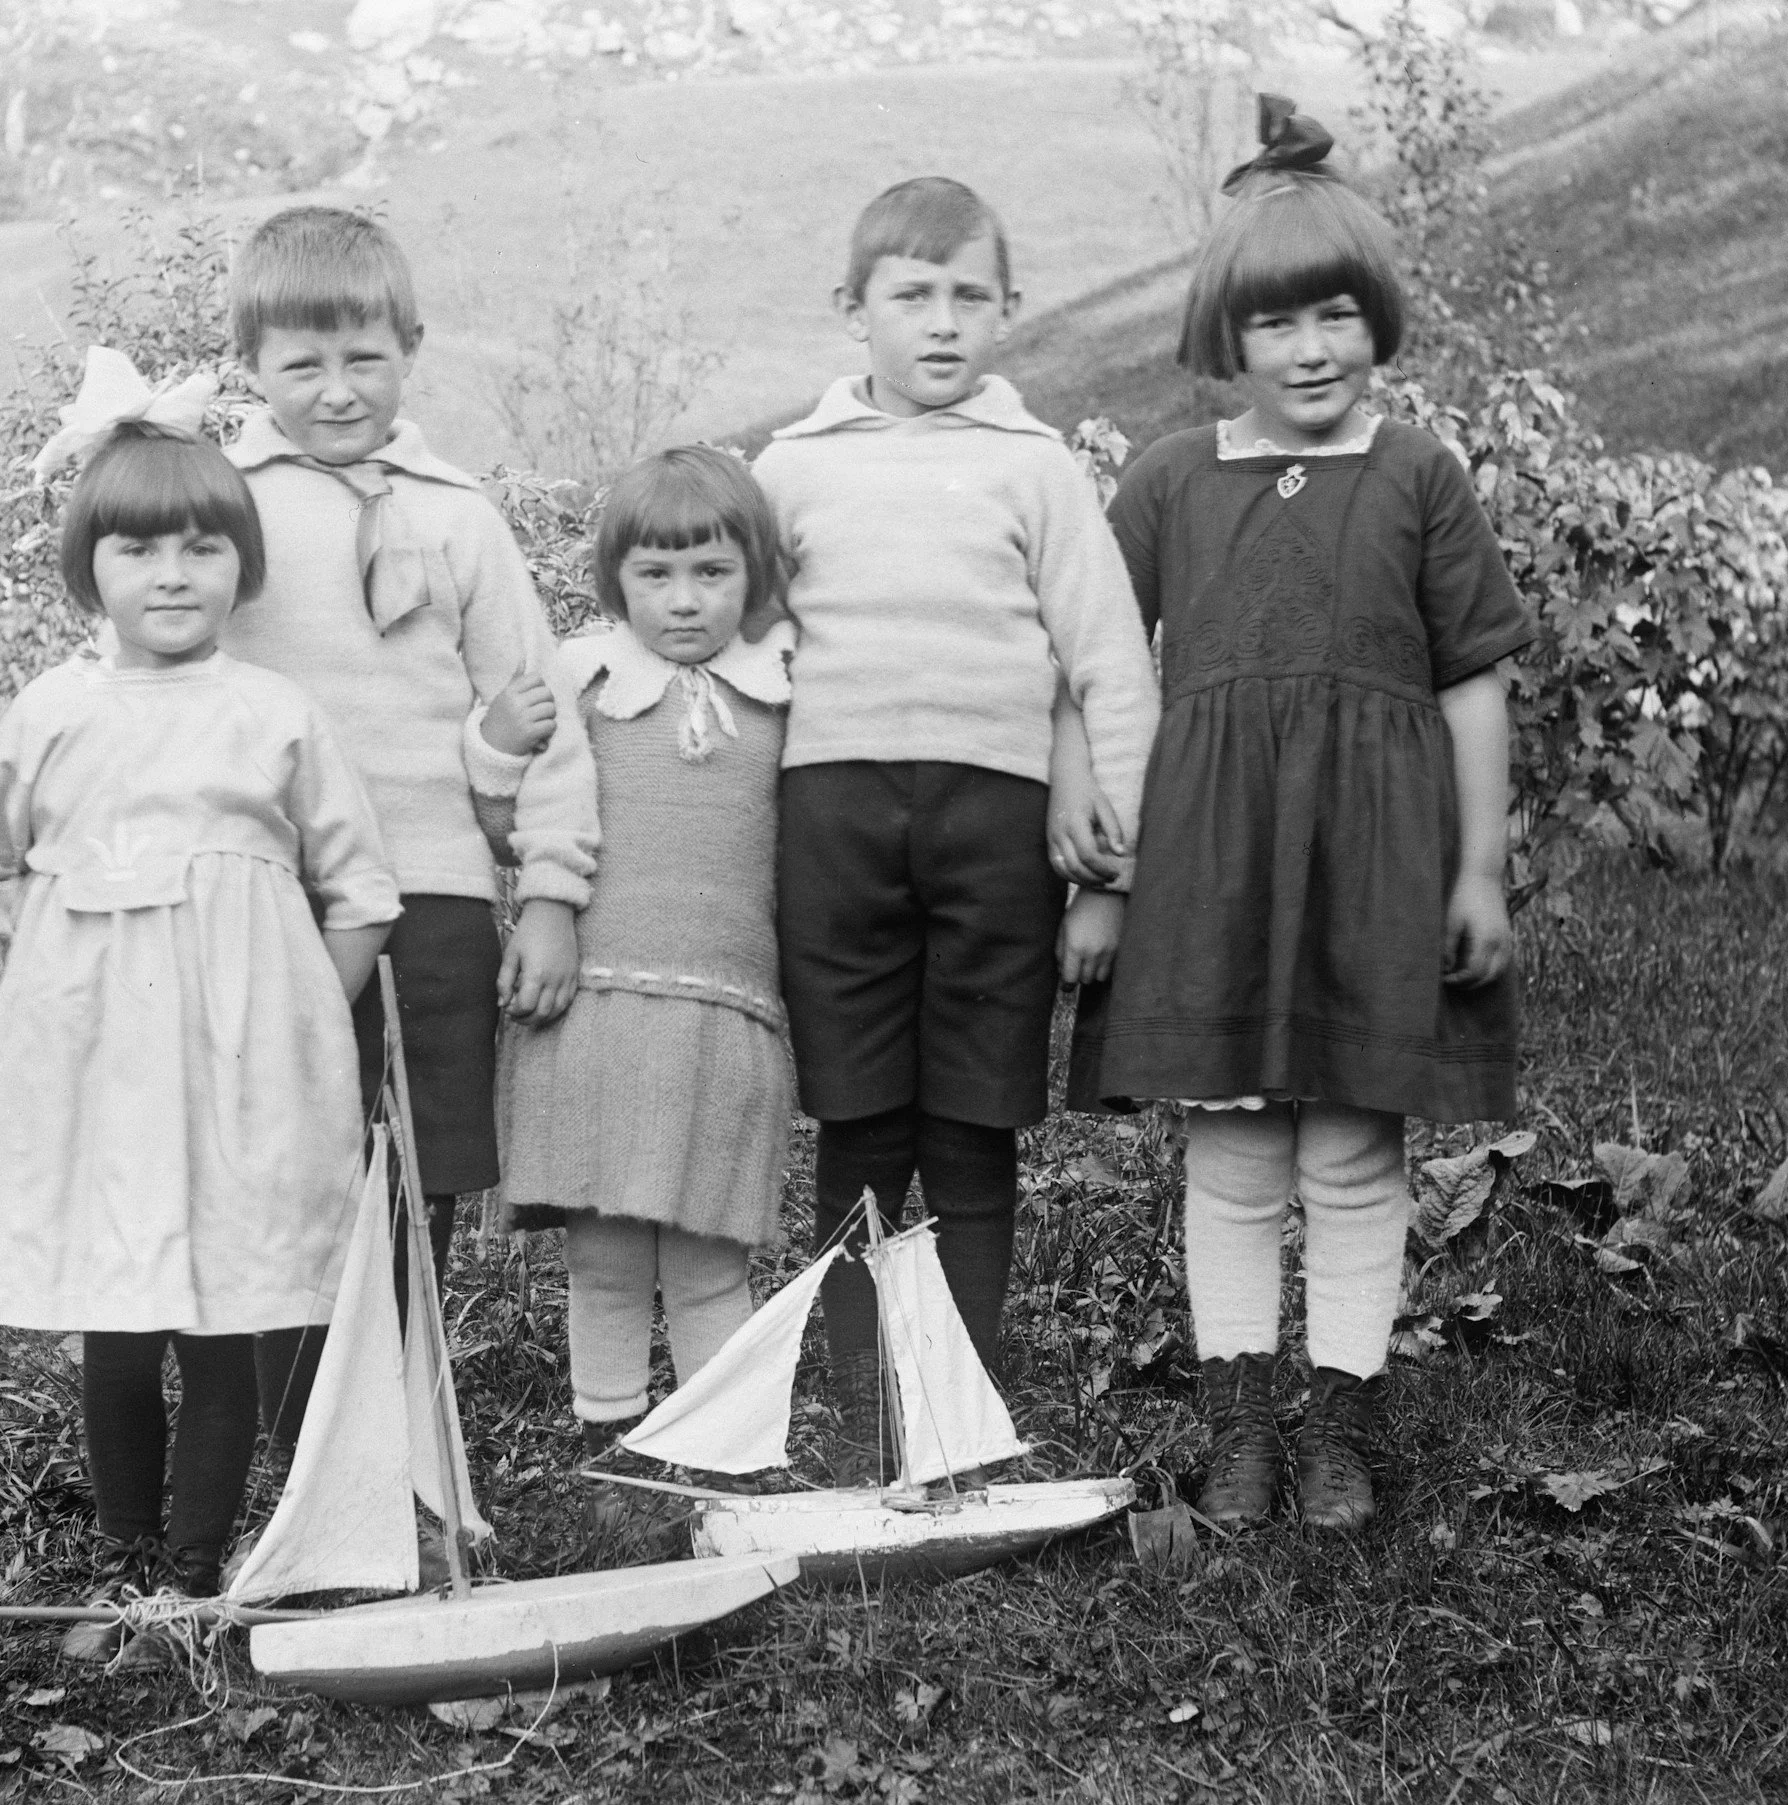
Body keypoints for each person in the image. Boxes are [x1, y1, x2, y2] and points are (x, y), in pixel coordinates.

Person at [1063, 97, 1535, 1532]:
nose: (1312, 349)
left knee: (1350, 1145)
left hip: (1374, 859)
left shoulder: (1417, 476)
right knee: (1233, 1147)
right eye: (1277, 325)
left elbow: (1470, 685)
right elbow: (1084, 654)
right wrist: (1085, 805)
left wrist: (1478, 870)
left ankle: (1339, 1418)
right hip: (1212, 860)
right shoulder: (1166, 480)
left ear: (1376, 318)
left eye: (1337, 314)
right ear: (1227, 336)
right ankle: (1240, 1427)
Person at [0, 356, 401, 1642]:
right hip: (98, 1058)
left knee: (218, 1310)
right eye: (137, 549)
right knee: (117, 1313)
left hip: (240, 1065)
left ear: (242, 565)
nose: (172, 574)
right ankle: (121, 1546)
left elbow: (362, 887)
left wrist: (294, 1019)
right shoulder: (55, 708)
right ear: (87, 568)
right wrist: (55, 982)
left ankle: (192, 1558)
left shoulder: (271, 711)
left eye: (202, 548)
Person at [753, 177, 1161, 1484]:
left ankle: (957, 1399)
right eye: (910, 296)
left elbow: (1110, 665)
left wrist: (1117, 874)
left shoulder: (1035, 469)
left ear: (1009, 311)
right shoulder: (789, 470)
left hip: (997, 832)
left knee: (975, 1125)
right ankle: (864, 1399)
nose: (940, 324)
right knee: (864, 1124)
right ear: (851, 311)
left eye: (967, 297)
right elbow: (739, 653)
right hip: (832, 824)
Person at [217, 206, 600, 1443]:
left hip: (433, 882)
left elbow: (537, 712)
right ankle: (295, 1435)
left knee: (418, 1163)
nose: (336, 391)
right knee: (286, 1159)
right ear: (249, 366)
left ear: (413, 346)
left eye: (363, 359)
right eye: (301, 364)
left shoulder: (457, 515)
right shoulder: (224, 505)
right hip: (273, 889)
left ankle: (397, 1424)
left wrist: (547, 888)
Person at [474, 446, 796, 1467]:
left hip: (725, 1000)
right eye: (655, 575)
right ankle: (607, 1436)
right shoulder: (584, 676)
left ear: (754, 574)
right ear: (616, 577)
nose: (685, 600)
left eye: (712, 572)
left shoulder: (786, 681)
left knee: (708, 1242)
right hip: (598, 1000)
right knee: (604, 1244)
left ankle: (720, 1443)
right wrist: (492, 741)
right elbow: (503, 815)